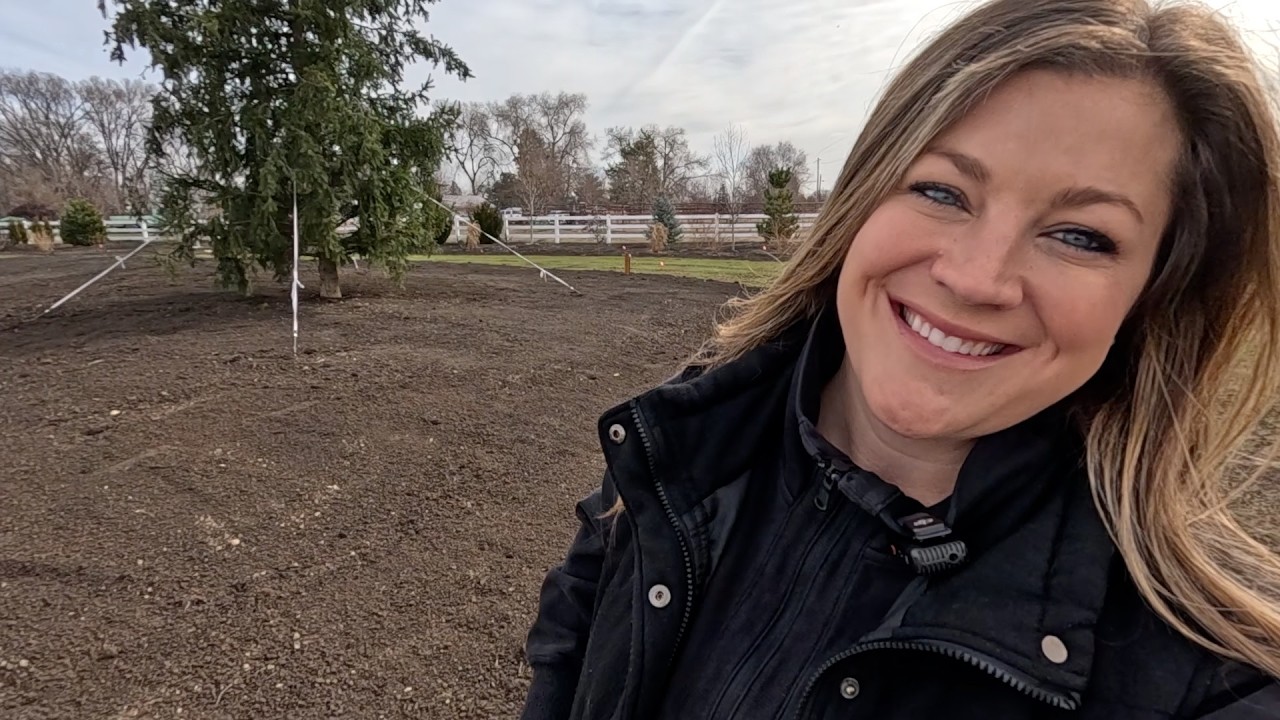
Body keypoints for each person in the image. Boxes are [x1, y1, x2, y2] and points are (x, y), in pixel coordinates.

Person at [518, 0, 1280, 717]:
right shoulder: (681, 445)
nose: (975, 278)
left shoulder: (1219, 678)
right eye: (944, 192)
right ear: (863, 197)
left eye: (1080, 235)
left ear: (1155, 296)